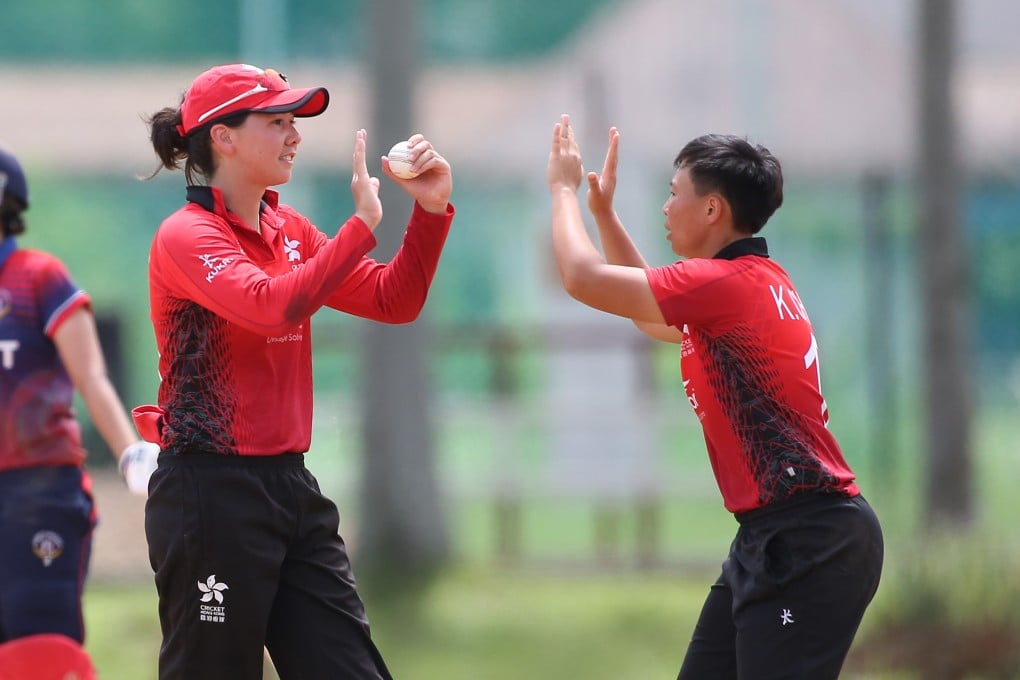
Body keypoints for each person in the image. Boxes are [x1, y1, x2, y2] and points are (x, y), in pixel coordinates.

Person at [137, 63, 455, 679]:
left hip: (290, 490)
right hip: (210, 494)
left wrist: (431, 211)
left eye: (294, 122)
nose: (294, 136)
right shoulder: (186, 235)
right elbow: (270, 305)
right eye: (277, 121)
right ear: (223, 138)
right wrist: (359, 228)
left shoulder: (291, 231)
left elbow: (395, 300)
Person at [545, 114, 883, 679]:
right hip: (777, 536)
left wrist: (561, 190)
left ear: (711, 210)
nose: (665, 206)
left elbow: (582, 278)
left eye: (674, 193)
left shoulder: (724, 286)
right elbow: (654, 319)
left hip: (807, 542)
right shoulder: (751, 281)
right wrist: (602, 214)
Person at [0, 146, 158, 663]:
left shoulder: (37, 278)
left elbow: (91, 377)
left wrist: (130, 454)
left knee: (41, 650)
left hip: (38, 489)